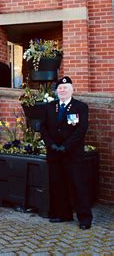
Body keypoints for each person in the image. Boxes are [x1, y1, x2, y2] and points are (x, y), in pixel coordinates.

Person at [40, 76, 92, 230]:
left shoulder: (80, 107)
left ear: (72, 90)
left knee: (78, 186)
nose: (62, 90)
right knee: (58, 185)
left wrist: (66, 146)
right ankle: (64, 214)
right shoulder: (50, 107)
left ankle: (85, 219)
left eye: (65, 88)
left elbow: (81, 129)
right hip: (55, 153)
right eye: (60, 88)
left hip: (72, 154)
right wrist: (52, 145)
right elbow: (43, 128)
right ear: (56, 91)